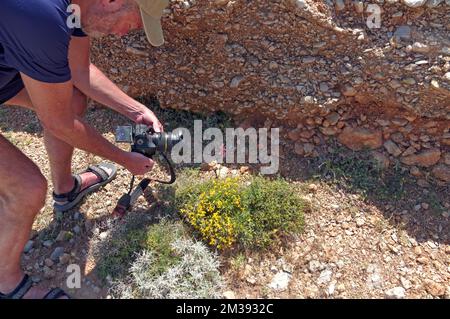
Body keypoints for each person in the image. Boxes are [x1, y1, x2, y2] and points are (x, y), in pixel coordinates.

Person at [0, 0, 169, 299]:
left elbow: (79, 70)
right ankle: (7, 284)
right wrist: (124, 158)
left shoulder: (76, 7)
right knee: (26, 188)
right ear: (113, 1)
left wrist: (135, 110)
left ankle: (66, 190)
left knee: (73, 100)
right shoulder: (43, 18)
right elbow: (60, 123)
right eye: (128, 24)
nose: (121, 34)